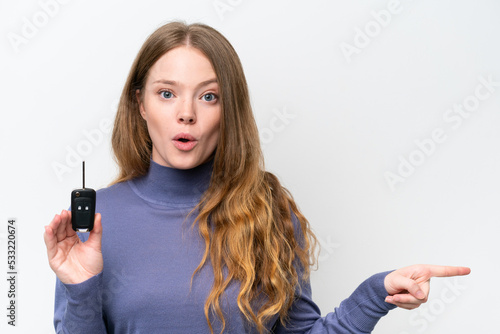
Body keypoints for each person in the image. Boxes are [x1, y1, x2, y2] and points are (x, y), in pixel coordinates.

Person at [43, 21, 470, 334]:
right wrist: (80, 289)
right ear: (140, 103)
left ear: (229, 110)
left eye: (209, 96)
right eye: (167, 93)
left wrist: (376, 294)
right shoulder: (96, 218)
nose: (186, 112)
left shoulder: (267, 208)